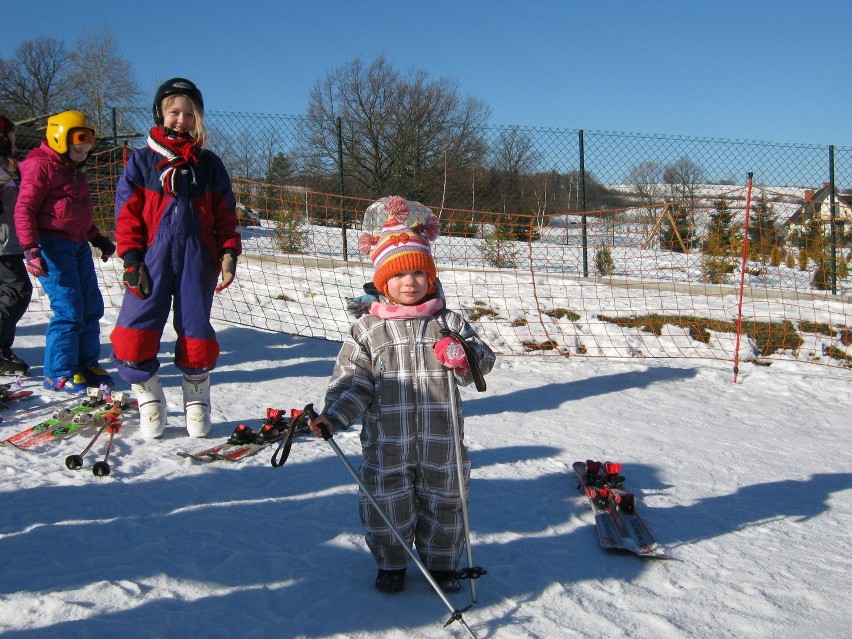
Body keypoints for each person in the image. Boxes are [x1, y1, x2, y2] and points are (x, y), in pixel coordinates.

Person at [308, 195, 495, 595]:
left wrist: (464, 355)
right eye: (398, 275)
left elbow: (483, 360)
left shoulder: (448, 321)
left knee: (446, 504)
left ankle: (442, 565)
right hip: (387, 443)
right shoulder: (369, 330)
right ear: (382, 282)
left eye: (418, 273)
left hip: (441, 442)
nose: (410, 282)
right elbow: (353, 381)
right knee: (386, 504)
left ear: (431, 278)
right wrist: (335, 416)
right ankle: (391, 563)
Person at [110, 77, 241, 439]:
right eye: (174, 112)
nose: (180, 120)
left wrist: (229, 252)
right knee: (134, 329)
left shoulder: (209, 165)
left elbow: (226, 215)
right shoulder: (142, 162)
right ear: (161, 114)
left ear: (198, 118)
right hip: (152, 257)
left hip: (197, 258)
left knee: (196, 329)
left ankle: (197, 397)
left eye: (188, 113)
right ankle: (149, 396)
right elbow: (127, 215)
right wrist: (132, 259)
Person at [14, 111, 116, 392]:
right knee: (69, 308)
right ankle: (58, 371)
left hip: (78, 244)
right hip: (51, 245)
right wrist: (30, 248)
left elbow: (78, 216)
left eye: (86, 150)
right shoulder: (39, 166)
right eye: (77, 149)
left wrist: (98, 239)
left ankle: (85, 362)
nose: (83, 155)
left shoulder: (74, 171)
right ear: (60, 140)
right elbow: (24, 209)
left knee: (91, 306)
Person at [0, 115, 34, 376]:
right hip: (2, 244)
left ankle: (2, 350)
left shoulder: (6, 165)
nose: (14, 143)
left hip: (10, 241)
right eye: (11, 137)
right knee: (17, 290)